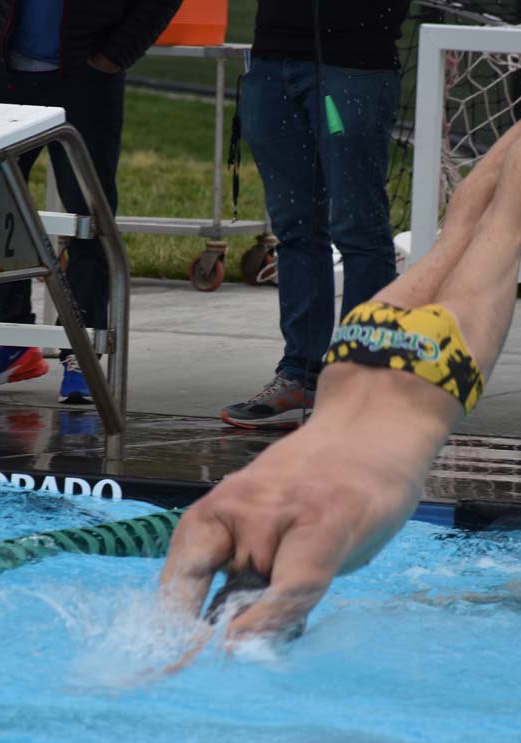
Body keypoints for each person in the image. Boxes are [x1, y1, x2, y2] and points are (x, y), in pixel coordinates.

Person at [161, 36, 521, 643]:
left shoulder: (320, 535)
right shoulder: (210, 518)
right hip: (357, 348)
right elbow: (173, 606)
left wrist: (220, 650)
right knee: (459, 230)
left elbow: (278, 604)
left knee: (504, 226)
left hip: (431, 376)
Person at [0, 0, 180, 401]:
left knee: (87, 213)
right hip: (5, 73)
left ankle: (81, 349)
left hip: (87, 75)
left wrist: (113, 57)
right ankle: (10, 340)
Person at [220, 1, 411, 430]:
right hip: (273, 59)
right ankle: (299, 373)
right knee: (295, 229)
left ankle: (361, 377)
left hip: (355, 62)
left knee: (359, 228)